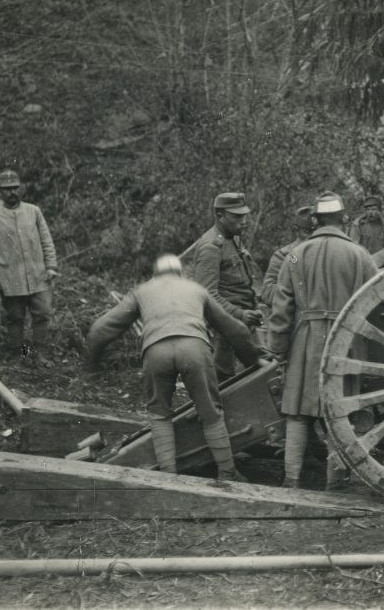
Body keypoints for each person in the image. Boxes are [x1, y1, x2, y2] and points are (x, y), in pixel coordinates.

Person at [85, 254, 258, 480]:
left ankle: (168, 475)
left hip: (156, 351)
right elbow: (234, 329)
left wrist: (92, 365)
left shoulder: (142, 290)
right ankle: (227, 471)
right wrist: (253, 361)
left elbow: (100, 329)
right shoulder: (196, 289)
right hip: (194, 348)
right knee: (210, 412)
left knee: (159, 414)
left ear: (155, 274)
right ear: (180, 272)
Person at [268, 192, 377, 490]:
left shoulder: (295, 254)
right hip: (346, 342)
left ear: (315, 219)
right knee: (339, 412)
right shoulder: (360, 254)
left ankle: (291, 481)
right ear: (342, 218)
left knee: (297, 412)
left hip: (305, 340)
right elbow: (376, 301)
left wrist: (277, 347)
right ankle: (335, 482)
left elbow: (282, 305)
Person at [0, 169, 59, 360]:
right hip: (10, 279)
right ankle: (22, 355)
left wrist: (51, 266)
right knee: (16, 319)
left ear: (20, 188)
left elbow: (46, 241)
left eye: (15, 188)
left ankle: (39, 353)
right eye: (7, 189)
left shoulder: (34, 212)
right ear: (0, 191)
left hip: (37, 275)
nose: (12, 192)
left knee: (42, 314)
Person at [193, 192, 263, 381]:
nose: (244, 221)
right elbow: (207, 295)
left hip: (243, 320)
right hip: (223, 326)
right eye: (237, 216)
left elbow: (243, 281)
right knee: (223, 378)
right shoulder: (210, 247)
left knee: (262, 369)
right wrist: (240, 314)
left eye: (245, 215)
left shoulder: (233, 239)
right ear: (220, 216)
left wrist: (254, 307)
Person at [260, 205, 312, 308]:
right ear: (296, 230)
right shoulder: (283, 256)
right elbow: (267, 293)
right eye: (307, 232)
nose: (311, 238)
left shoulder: (323, 254)